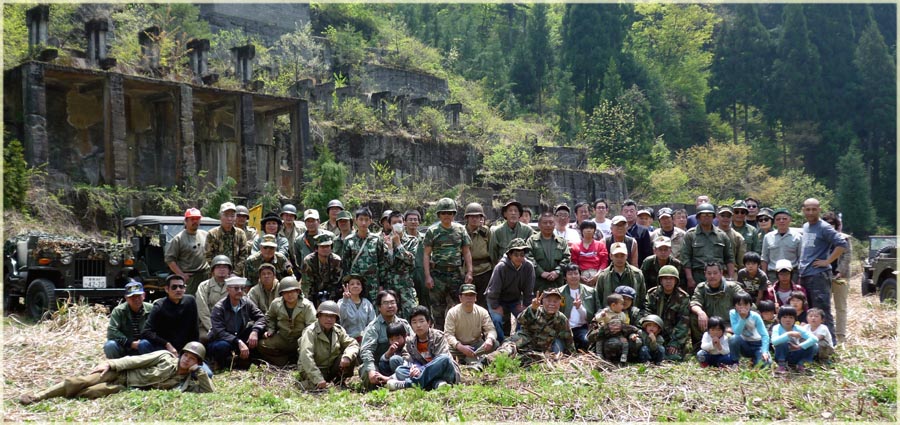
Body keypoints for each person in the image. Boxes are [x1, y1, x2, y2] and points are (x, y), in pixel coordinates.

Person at [19, 342, 212, 405]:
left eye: (192, 359)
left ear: (197, 363)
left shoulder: (186, 382)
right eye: (186, 355)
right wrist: (110, 363)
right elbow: (136, 360)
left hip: (124, 387)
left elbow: (208, 391)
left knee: (89, 393)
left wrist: (199, 372)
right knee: (79, 381)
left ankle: (64, 395)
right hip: (120, 373)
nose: (187, 360)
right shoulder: (164, 357)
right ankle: (38, 396)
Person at [486, 288, 576, 366]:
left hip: (535, 352)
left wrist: (573, 356)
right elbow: (520, 320)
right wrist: (532, 308)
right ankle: (484, 362)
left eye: (555, 301)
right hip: (520, 343)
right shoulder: (535, 310)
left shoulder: (561, 319)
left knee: (534, 361)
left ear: (560, 303)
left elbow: (569, 339)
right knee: (507, 351)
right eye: (548, 301)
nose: (552, 304)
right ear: (543, 301)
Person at [423, 198, 473, 329]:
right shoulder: (432, 231)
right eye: (443, 213)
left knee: (459, 306)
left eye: (450, 213)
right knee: (437, 309)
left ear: (454, 214)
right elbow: (426, 254)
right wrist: (428, 276)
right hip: (438, 274)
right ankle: (439, 334)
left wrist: (469, 272)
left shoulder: (460, 230)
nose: (447, 215)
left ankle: (458, 333)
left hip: (456, 273)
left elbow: (466, 252)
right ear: (439, 214)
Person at [386, 306, 461, 391]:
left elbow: (441, 361)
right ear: (411, 325)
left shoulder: (438, 336)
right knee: (400, 370)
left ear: (428, 322)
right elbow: (408, 359)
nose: (418, 325)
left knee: (444, 359)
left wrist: (420, 369)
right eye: (414, 322)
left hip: (445, 372)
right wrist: (413, 368)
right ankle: (436, 383)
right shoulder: (410, 341)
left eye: (421, 321)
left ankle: (408, 384)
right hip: (424, 373)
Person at [206, 277, 266, 370]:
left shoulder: (246, 302)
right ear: (228, 290)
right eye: (236, 288)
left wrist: (255, 331)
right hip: (223, 340)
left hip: (239, 336)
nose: (240, 291)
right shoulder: (219, 307)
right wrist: (238, 341)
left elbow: (261, 317)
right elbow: (219, 331)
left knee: (258, 331)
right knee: (221, 347)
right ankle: (221, 362)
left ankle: (246, 359)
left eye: (242, 288)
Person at [297, 300, 359, 390]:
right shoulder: (310, 332)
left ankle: (339, 381)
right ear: (319, 316)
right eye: (326, 316)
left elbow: (353, 344)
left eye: (332, 316)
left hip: (330, 369)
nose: (329, 319)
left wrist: (347, 357)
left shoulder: (338, 330)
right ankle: (309, 384)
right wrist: (317, 378)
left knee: (351, 356)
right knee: (315, 387)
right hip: (313, 369)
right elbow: (306, 356)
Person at [358, 290, 413, 389]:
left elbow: (414, 343)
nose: (390, 306)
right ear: (379, 307)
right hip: (379, 365)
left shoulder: (404, 324)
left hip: (402, 363)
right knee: (369, 375)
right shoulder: (373, 327)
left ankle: (400, 383)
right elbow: (366, 351)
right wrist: (371, 370)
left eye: (392, 302)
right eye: (386, 303)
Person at [257, 277, 317, 367]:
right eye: (286, 292)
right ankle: (283, 361)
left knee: (310, 350)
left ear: (298, 292)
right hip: (283, 337)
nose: (289, 295)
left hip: (300, 339)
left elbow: (312, 325)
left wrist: (304, 340)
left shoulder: (307, 306)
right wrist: (271, 329)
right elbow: (269, 317)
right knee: (262, 344)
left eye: (292, 291)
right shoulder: (276, 304)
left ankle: (298, 359)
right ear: (282, 294)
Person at [485, 238, 535, 343]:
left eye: (522, 255)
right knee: (497, 320)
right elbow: (493, 290)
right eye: (516, 255)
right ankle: (500, 342)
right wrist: (495, 306)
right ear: (510, 255)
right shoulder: (501, 267)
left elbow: (529, 290)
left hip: (514, 299)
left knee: (524, 316)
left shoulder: (528, 267)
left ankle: (517, 341)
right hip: (496, 299)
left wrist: (526, 305)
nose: (519, 258)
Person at [689, 262, 746, 354]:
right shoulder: (701, 288)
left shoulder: (732, 287)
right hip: (709, 324)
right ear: (705, 274)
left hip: (728, 325)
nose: (712, 276)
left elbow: (745, 302)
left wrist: (734, 326)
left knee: (731, 340)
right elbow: (694, 303)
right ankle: (699, 347)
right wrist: (700, 312)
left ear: (721, 273)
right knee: (694, 317)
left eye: (715, 273)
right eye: (709, 273)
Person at [339, 207, 393, 302]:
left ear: (370, 221)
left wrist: (381, 285)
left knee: (373, 308)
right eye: (361, 219)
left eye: (366, 220)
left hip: (373, 284)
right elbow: (345, 265)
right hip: (355, 284)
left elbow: (381, 264)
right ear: (356, 221)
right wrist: (347, 285)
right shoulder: (349, 240)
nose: (363, 223)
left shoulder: (377, 240)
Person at [680, 203, 735, 292]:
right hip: (697, 275)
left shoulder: (722, 235)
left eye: (709, 215)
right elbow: (686, 259)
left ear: (713, 217)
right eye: (703, 215)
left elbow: (729, 258)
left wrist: (731, 277)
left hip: (718, 276)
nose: (707, 217)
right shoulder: (690, 235)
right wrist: (690, 279)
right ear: (698, 217)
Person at [142, 275, 200, 356]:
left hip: (185, 348)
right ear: (167, 289)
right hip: (163, 348)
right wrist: (167, 344)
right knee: (143, 344)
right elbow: (146, 331)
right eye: (174, 287)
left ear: (185, 289)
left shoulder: (190, 301)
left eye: (181, 287)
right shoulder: (159, 306)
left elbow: (194, 329)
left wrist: (193, 350)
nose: (178, 290)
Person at [645, 265, 691, 361]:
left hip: (672, 335)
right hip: (653, 332)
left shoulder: (683, 297)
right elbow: (646, 313)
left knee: (675, 357)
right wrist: (651, 332)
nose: (668, 281)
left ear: (676, 281)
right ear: (661, 280)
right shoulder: (652, 294)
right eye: (665, 278)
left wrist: (675, 343)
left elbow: (683, 323)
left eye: (671, 279)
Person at [444, 284, 497, 364]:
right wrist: (460, 346)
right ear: (460, 298)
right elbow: (448, 334)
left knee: (495, 344)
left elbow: (491, 329)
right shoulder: (452, 313)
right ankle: (470, 358)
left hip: (476, 345)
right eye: (466, 295)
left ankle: (471, 357)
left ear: (475, 298)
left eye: (471, 295)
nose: (469, 298)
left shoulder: (482, 312)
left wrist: (489, 339)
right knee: (444, 351)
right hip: (458, 346)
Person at [382, 210, 418, 319]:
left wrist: (398, 244)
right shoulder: (385, 241)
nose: (397, 224)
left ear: (404, 223)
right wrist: (390, 248)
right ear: (389, 225)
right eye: (394, 222)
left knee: (411, 315)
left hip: (406, 286)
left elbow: (411, 260)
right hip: (391, 287)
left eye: (400, 222)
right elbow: (388, 264)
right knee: (392, 318)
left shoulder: (412, 240)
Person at [165, 208, 210, 295]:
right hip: (190, 278)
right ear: (186, 221)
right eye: (192, 219)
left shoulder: (205, 235)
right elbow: (169, 259)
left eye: (197, 219)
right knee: (189, 300)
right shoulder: (178, 239)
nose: (195, 221)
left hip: (206, 276)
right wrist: (181, 275)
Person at [104, 281, 154, 359]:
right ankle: (117, 365)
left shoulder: (152, 309)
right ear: (126, 298)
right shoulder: (119, 311)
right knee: (110, 345)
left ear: (144, 295)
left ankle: (149, 364)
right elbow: (112, 332)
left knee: (145, 343)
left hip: (145, 345)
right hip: (125, 346)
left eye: (139, 296)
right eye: (132, 297)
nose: (136, 299)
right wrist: (130, 343)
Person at [822, 212, 851, 344]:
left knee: (841, 307)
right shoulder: (820, 239)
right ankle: (826, 334)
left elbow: (847, 256)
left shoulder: (844, 238)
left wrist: (840, 271)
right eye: (826, 223)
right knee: (824, 306)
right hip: (823, 276)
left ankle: (841, 336)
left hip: (840, 277)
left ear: (836, 224)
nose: (829, 225)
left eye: (832, 223)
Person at [528, 212, 572, 292]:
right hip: (538, 283)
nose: (548, 225)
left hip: (557, 283)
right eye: (545, 223)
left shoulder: (561, 241)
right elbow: (528, 258)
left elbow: (567, 258)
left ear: (554, 224)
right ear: (539, 225)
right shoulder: (532, 241)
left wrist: (557, 271)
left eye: (551, 222)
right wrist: (541, 272)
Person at [597, 242, 647, 312]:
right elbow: (598, 298)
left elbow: (642, 296)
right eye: (616, 256)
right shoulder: (603, 276)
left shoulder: (637, 274)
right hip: (610, 314)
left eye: (622, 256)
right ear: (611, 256)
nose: (619, 259)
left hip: (632, 314)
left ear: (626, 256)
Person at [557, 264, 597, 351]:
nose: (573, 276)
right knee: (559, 349)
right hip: (565, 328)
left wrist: (579, 307)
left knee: (587, 342)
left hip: (582, 327)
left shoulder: (590, 291)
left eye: (576, 273)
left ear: (580, 275)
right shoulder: (559, 292)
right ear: (565, 277)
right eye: (570, 274)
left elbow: (594, 312)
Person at [205, 202, 249, 277]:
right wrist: (219, 272)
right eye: (226, 215)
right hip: (216, 276)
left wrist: (235, 273)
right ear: (220, 216)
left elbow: (244, 255)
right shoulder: (212, 234)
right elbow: (208, 256)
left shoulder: (240, 233)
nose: (229, 219)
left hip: (236, 276)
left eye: (232, 216)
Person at [771, 306, 818, 374]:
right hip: (783, 355)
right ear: (779, 318)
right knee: (782, 343)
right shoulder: (777, 328)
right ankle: (781, 366)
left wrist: (799, 346)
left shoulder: (798, 328)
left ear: (795, 319)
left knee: (814, 346)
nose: (788, 320)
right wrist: (789, 334)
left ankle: (800, 364)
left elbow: (814, 339)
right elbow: (774, 341)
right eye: (784, 317)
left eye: (791, 317)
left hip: (796, 354)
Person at [728, 292, 771, 368]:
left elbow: (765, 335)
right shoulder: (733, 313)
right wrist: (743, 318)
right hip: (744, 344)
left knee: (766, 364)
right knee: (733, 338)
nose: (742, 307)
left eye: (745, 304)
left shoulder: (755, 316)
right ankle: (735, 361)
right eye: (739, 304)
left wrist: (764, 351)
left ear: (750, 305)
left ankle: (755, 359)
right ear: (734, 305)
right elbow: (737, 332)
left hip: (758, 345)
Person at [196, 255, 233, 341]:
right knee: (204, 338)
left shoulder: (234, 285)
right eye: (218, 267)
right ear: (213, 270)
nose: (222, 269)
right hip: (207, 325)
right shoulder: (204, 286)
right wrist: (214, 329)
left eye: (225, 267)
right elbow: (202, 310)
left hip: (229, 324)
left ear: (229, 270)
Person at [464, 202, 493, 309]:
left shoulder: (485, 232)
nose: (474, 219)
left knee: (483, 302)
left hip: (484, 270)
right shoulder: (461, 232)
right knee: (466, 300)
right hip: (465, 271)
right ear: (467, 218)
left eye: (477, 216)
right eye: (472, 216)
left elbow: (492, 251)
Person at [760, 208, 802, 283]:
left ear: (790, 220)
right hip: (773, 274)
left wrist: (800, 276)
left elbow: (801, 258)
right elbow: (764, 258)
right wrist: (765, 277)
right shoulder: (768, 237)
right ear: (774, 221)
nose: (781, 221)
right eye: (778, 219)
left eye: (784, 219)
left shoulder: (798, 237)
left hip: (792, 274)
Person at [300, 233, 343, 306]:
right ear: (316, 249)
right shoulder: (308, 261)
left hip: (332, 293)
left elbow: (337, 283)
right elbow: (306, 284)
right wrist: (308, 302)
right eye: (322, 247)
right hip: (313, 292)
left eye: (328, 246)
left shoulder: (337, 261)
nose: (325, 249)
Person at [488, 199, 535, 263]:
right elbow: (493, 253)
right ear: (505, 214)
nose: (513, 213)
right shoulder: (497, 231)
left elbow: (531, 252)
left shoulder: (527, 230)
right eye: (510, 211)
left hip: (522, 265)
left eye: (516, 211)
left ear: (519, 214)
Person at [570, 220, 610, 287]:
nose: (589, 230)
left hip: (597, 274)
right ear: (581, 230)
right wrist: (580, 276)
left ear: (594, 230)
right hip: (580, 276)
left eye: (591, 228)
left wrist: (598, 275)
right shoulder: (575, 246)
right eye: (586, 228)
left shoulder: (600, 245)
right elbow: (574, 263)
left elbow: (604, 262)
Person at [338, 274, 376, 342]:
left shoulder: (367, 303)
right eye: (352, 284)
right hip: (347, 340)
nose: (355, 286)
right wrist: (345, 301)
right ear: (347, 287)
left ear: (361, 288)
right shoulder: (341, 302)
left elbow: (373, 323)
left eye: (358, 284)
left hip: (365, 340)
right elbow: (340, 318)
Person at [296, 209, 335, 274]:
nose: (311, 224)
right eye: (308, 221)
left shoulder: (329, 236)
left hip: (329, 273)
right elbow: (298, 261)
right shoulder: (299, 241)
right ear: (305, 223)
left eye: (313, 221)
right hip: (308, 274)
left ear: (319, 221)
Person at [621, 200, 653, 264]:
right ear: (622, 213)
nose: (629, 214)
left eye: (631, 211)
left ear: (636, 212)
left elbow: (647, 253)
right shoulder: (617, 229)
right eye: (626, 211)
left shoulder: (643, 231)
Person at [716, 205, 747, 270]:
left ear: (732, 217)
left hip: (732, 271)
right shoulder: (711, 234)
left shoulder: (738, 237)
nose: (725, 218)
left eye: (728, 216)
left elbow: (741, 261)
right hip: (713, 272)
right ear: (717, 216)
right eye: (723, 216)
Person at [279, 204, 305, 268]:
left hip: (299, 258)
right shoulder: (277, 228)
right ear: (282, 216)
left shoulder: (302, 228)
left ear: (294, 217)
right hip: (282, 260)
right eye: (286, 215)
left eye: (291, 216)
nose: (288, 217)